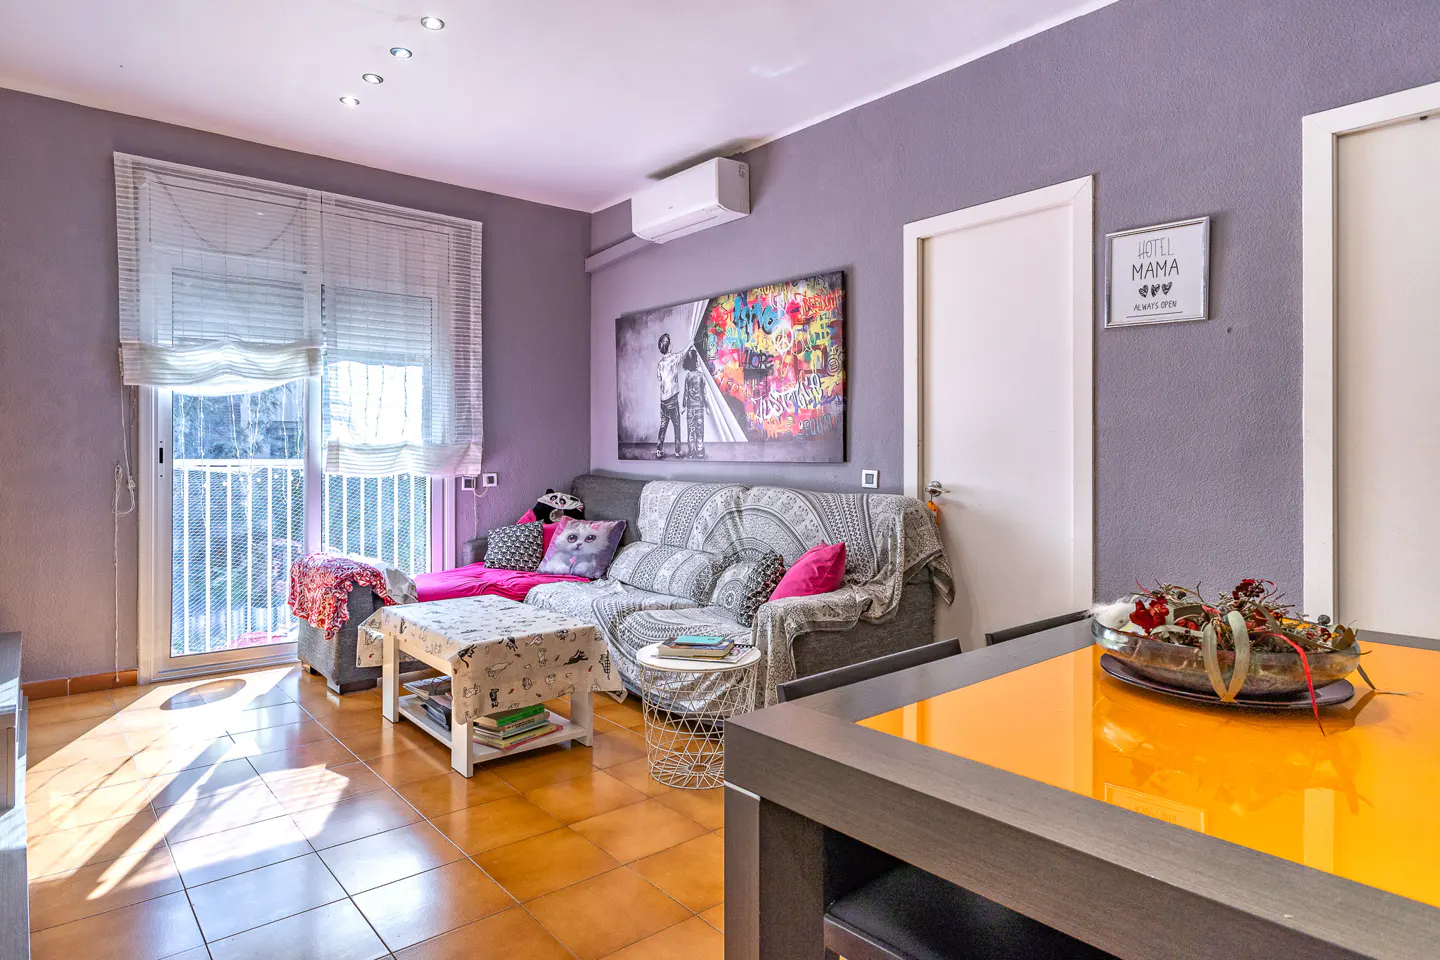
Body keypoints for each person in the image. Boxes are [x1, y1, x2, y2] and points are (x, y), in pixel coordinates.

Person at [655, 333, 685, 459]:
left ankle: (659, 449)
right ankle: (678, 451)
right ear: (669, 346)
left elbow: (659, 378)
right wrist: (691, 343)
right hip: (672, 400)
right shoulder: (673, 359)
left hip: (663, 401)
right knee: (677, 425)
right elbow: (683, 353)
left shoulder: (660, 364)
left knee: (663, 425)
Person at [681, 347, 706, 459]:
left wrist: (683, 406)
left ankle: (691, 452)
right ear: (696, 362)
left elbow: (685, 393)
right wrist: (708, 406)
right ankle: (700, 451)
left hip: (690, 408)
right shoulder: (701, 376)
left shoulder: (688, 376)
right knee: (699, 430)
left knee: (690, 430)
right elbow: (704, 393)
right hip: (699, 407)